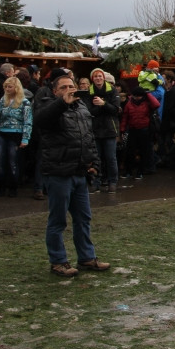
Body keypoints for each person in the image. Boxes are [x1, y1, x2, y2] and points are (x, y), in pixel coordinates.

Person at [33, 72, 110, 278]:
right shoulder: (48, 105)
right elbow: (41, 120)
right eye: (64, 87)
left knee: (83, 217)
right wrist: (62, 104)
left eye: (71, 86)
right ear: (55, 91)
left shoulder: (81, 107)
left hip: (79, 171)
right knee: (58, 220)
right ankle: (58, 261)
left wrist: (94, 163)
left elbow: (88, 137)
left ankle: (86, 257)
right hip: (59, 171)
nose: (69, 90)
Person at [0, 76, 33, 197]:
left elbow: (28, 121)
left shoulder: (25, 102)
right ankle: (1, 186)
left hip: (16, 134)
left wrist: (26, 138)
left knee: (13, 161)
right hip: (1, 133)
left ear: (16, 87)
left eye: (10, 87)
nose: (7, 89)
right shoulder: (3, 100)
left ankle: (13, 186)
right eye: (6, 87)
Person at [86, 68, 121, 192]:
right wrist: (101, 107)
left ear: (103, 77)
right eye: (95, 76)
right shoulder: (89, 92)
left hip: (109, 129)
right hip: (95, 129)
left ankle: (112, 181)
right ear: (92, 79)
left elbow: (116, 109)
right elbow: (88, 111)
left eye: (100, 76)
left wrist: (103, 104)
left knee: (111, 157)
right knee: (96, 158)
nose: (98, 78)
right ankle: (96, 181)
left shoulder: (112, 91)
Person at [120, 87, 160, 181]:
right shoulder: (129, 103)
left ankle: (140, 171)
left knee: (143, 152)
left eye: (139, 96)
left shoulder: (147, 102)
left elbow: (156, 104)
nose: (137, 98)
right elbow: (125, 117)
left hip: (145, 130)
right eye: (136, 96)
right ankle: (129, 171)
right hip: (133, 130)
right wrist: (122, 129)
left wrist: (148, 94)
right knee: (130, 152)